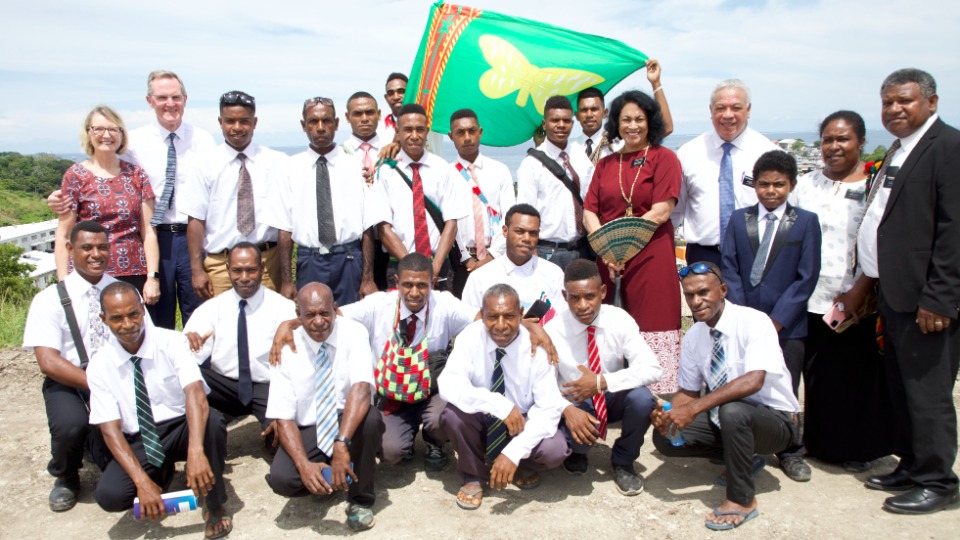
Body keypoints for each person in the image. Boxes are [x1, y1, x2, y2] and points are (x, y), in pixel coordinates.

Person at [856, 69, 960, 514]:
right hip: (894, 296)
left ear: (931, 103)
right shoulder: (900, 150)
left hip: (925, 301)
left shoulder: (949, 148)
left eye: (905, 101)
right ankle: (912, 464)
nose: (894, 110)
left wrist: (940, 297)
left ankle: (938, 481)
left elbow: (954, 231)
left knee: (928, 393)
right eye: (888, 103)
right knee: (901, 387)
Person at [652, 263, 801, 531]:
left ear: (722, 290)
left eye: (703, 292)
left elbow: (754, 381)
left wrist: (694, 407)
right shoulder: (696, 334)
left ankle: (742, 500)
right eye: (689, 295)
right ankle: (742, 457)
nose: (696, 301)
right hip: (730, 421)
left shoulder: (754, 321)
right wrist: (670, 412)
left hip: (776, 422)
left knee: (732, 411)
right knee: (665, 436)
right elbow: (688, 391)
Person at [790, 111, 894, 469]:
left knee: (849, 375)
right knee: (813, 374)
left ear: (860, 142)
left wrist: (861, 288)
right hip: (806, 296)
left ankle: (852, 449)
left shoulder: (874, 186)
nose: (834, 147)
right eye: (827, 140)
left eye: (843, 139)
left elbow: (879, 242)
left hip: (853, 298)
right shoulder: (807, 184)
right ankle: (813, 440)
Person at [88, 281, 231, 539]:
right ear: (104, 319)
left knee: (213, 423)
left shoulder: (172, 342)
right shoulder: (99, 365)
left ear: (143, 309)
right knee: (110, 496)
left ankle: (214, 504)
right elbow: (110, 430)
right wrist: (142, 483)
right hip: (141, 438)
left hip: (180, 427)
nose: (128, 324)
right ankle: (159, 474)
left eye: (133, 314)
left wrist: (196, 452)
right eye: (117, 318)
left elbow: (196, 394)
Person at [720, 150, 820, 482]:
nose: (771, 191)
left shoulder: (805, 222)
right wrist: (747, 318)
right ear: (755, 186)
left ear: (791, 185)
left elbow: (806, 277)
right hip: (745, 321)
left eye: (779, 184)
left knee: (785, 385)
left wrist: (775, 320)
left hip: (786, 326)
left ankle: (790, 451)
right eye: (764, 184)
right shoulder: (738, 220)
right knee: (742, 383)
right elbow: (730, 268)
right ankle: (743, 450)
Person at [583, 89, 683, 394]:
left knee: (654, 318)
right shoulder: (606, 164)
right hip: (609, 255)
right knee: (610, 323)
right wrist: (606, 249)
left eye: (639, 119)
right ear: (616, 123)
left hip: (651, 252)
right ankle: (614, 393)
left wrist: (626, 245)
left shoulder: (664, 158)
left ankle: (659, 394)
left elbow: (662, 210)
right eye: (625, 119)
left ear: (649, 121)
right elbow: (589, 210)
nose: (633, 126)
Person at [438, 284, 570, 509]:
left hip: (523, 421)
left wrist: (514, 452)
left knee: (554, 449)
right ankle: (473, 476)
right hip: (484, 415)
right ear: (482, 315)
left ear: (521, 313)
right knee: (452, 416)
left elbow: (548, 409)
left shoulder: (536, 346)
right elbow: (448, 384)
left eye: (509, 316)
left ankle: (520, 464)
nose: (501, 326)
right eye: (492, 317)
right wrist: (498, 404)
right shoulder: (470, 336)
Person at [265, 283, 384, 531]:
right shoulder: (285, 346)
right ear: (298, 315)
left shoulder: (354, 332)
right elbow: (283, 417)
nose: (318, 321)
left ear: (335, 310)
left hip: (347, 419)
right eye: (310, 315)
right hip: (311, 424)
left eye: (324, 313)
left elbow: (362, 390)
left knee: (371, 418)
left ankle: (360, 498)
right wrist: (303, 465)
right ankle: (327, 478)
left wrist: (341, 443)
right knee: (282, 479)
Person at [340, 253, 476, 470]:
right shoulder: (378, 304)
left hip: (432, 392)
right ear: (396, 282)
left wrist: (532, 328)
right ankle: (407, 437)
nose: (414, 293)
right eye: (408, 285)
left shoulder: (444, 305)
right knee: (390, 451)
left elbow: (481, 319)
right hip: (393, 395)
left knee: (445, 416)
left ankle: (435, 442)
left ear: (432, 283)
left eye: (422, 285)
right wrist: (289, 325)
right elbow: (335, 316)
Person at [547, 260, 661, 496]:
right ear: (564, 296)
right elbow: (543, 384)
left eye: (590, 296)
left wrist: (600, 382)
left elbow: (652, 368)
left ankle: (623, 461)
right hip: (576, 401)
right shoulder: (554, 329)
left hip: (611, 395)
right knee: (577, 438)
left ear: (603, 292)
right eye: (574, 298)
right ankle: (578, 451)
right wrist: (566, 409)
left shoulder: (619, 319)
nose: (583, 306)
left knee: (642, 399)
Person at [23, 221, 114, 512]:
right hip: (70, 381)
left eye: (102, 247)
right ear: (70, 249)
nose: (95, 254)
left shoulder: (122, 291)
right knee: (70, 426)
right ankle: (65, 474)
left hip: (117, 380)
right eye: (87, 247)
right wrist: (96, 384)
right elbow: (48, 361)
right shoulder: (49, 299)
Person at [182, 242, 296, 459]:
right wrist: (187, 344)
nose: (244, 277)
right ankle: (200, 442)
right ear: (228, 269)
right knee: (188, 377)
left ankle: (270, 439)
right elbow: (184, 357)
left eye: (251, 270)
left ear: (262, 268)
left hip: (266, 386)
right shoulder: (212, 308)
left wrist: (292, 323)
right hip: (224, 386)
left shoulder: (280, 307)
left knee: (283, 444)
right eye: (237, 270)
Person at [269, 97, 385, 307]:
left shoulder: (355, 167)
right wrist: (287, 281)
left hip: (349, 261)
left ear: (337, 123)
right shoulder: (289, 169)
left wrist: (368, 278)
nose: (320, 128)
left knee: (352, 323)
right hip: (310, 262)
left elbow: (368, 227)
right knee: (313, 326)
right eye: (313, 122)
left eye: (327, 121)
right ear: (304, 125)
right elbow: (284, 231)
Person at [183, 90, 287, 299]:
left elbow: (286, 220)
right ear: (220, 121)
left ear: (255, 122)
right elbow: (195, 220)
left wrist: (286, 278)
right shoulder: (203, 164)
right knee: (222, 327)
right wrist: (196, 270)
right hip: (221, 265)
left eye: (244, 121)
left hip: (266, 263)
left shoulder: (277, 162)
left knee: (270, 327)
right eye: (230, 121)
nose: (237, 128)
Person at [54, 106, 159, 304]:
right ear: (88, 133)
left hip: (134, 272)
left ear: (121, 134)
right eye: (99, 129)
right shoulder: (76, 176)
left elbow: (148, 231)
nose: (106, 135)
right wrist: (63, 282)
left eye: (113, 129)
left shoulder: (136, 175)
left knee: (134, 332)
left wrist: (152, 277)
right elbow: (63, 234)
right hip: (90, 273)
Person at [672, 79, 781, 267]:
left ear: (748, 110)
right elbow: (675, 210)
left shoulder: (769, 154)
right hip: (703, 255)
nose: (728, 115)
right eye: (720, 108)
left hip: (756, 255)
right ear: (711, 111)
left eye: (736, 108)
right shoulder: (688, 153)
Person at [375, 103, 468, 289]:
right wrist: (414, 270)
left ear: (427, 131)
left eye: (420, 129)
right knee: (402, 318)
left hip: (439, 265)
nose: (414, 136)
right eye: (408, 129)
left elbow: (451, 223)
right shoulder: (384, 171)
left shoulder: (443, 169)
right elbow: (384, 228)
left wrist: (435, 267)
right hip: (400, 265)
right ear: (398, 131)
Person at [517, 95, 595, 269]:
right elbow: (525, 214)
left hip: (582, 250)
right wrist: (532, 255)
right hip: (547, 252)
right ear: (545, 124)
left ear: (572, 124)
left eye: (566, 121)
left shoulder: (581, 156)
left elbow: (592, 202)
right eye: (555, 120)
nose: (561, 125)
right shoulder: (531, 164)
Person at [447, 108, 516, 296]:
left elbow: (510, 219)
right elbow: (448, 224)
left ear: (480, 132)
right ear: (451, 136)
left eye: (472, 130)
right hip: (462, 264)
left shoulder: (499, 171)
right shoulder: (446, 175)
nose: (467, 137)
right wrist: (466, 259)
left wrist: (492, 255)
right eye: (460, 132)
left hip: (498, 259)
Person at [461, 204, 565, 317]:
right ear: (505, 231)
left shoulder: (553, 274)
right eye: (520, 231)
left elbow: (562, 321)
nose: (526, 238)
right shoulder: (480, 278)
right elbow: (469, 324)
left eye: (533, 233)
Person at [574, 59, 673, 165]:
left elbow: (665, 128)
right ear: (577, 115)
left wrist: (656, 83)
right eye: (584, 110)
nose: (589, 115)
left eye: (594, 109)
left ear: (605, 113)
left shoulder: (621, 140)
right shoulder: (570, 149)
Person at [342, 91, 387, 184]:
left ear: (379, 114)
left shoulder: (394, 153)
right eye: (357, 114)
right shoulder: (339, 155)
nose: (364, 119)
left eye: (369, 112)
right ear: (347, 117)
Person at [380, 72, 407, 142]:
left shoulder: (429, 125)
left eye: (401, 91)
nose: (396, 97)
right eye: (390, 93)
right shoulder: (379, 131)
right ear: (386, 98)